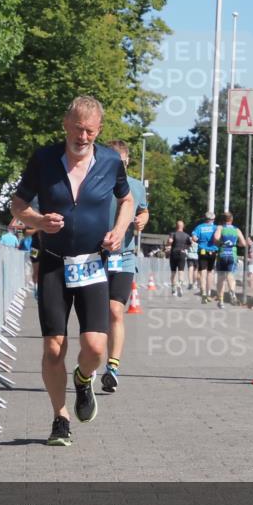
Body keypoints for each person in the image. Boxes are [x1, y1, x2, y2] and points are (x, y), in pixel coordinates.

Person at [11, 96, 134, 446]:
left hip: (93, 263)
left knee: (96, 347)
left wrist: (120, 229)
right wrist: (37, 220)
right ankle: (59, 417)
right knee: (53, 348)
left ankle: (83, 379)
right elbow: (18, 204)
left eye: (90, 131)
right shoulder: (44, 159)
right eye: (78, 128)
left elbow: (126, 200)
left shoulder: (110, 161)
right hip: (52, 261)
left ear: (99, 131)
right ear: (66, 123)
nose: (83, 136)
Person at [101, 140, 149, 394]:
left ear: (127, 162)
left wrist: (142, 218)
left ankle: (112, 367)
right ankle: (88, 362)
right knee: (95, 315)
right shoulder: (95, 182)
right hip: (94, 256)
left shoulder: (137, 186)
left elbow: (144, 210)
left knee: (115, 310)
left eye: (120, 162)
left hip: (125, 256)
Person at [211, 212, 247, 308]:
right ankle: (232, 292)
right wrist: (235, 244)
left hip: (222, 253)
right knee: (230, 275)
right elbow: (243, 243)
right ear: (232, 220)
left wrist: (219, 243)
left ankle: (221, 300)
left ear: (223, 220)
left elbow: (216, 238)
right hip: (232, 254)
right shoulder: (237, 230)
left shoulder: (220, 228)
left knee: (221, 278)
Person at [191, 212, 218, 303]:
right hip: (213, 251)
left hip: (202, 251)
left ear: (205, 218)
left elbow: (194, 238)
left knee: (203, 271)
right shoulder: (215, 228)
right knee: (210, 273)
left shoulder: (199, 227)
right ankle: (209, 293)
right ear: (213, 219)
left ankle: (203, 293)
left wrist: (200, 242)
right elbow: (218, 238)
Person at [164, 219, 192, 297]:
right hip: (182, 253)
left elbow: (170, 241)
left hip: (173, 253)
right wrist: (185, 248)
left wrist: (167, 244)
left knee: (173, 272)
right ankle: (180, 284)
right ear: (183, 226)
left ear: (176, 226)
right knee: (181, 272)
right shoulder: (186, 235)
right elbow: (190, 244)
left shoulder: (173, 233)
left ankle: (173, 290)